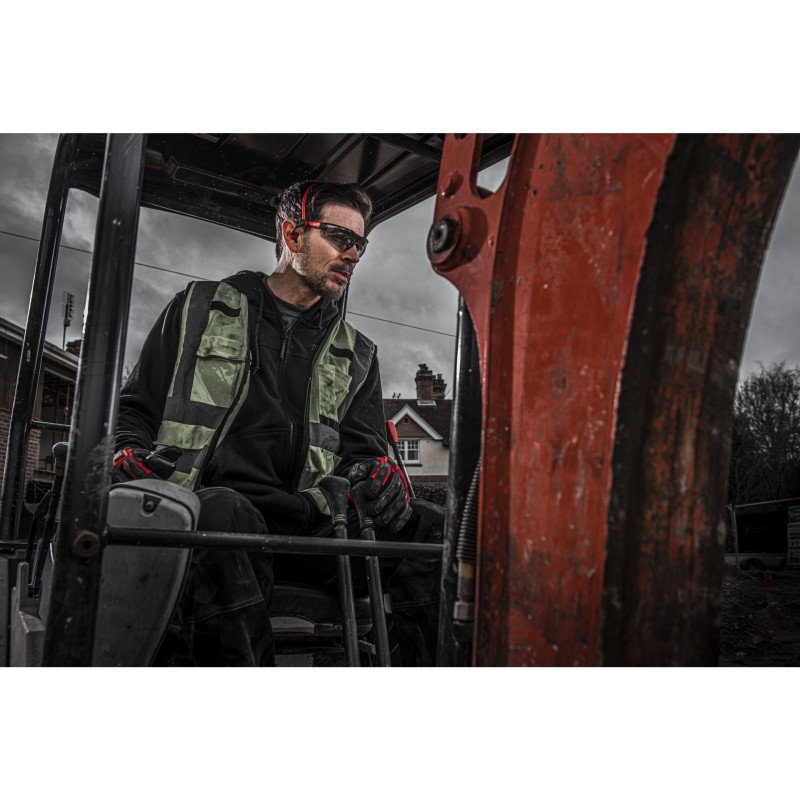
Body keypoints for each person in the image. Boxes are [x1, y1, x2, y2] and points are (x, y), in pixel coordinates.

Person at [112, 181, 444, 666]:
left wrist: (377, 475)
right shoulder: (198, 309)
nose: (353, 254)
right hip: (212, 512)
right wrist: (127, 450)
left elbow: (365, 452)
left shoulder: (357, 353)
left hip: (313, 527)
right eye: (340, 237)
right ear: (292, 234)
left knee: (431, 528)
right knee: (225, 514)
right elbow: (135, 408)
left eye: (360, 243)